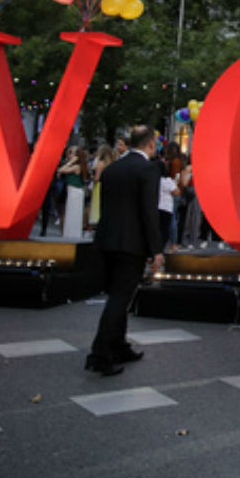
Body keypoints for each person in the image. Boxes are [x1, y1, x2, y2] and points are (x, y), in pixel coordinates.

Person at [86, 126, 162, 376]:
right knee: (120, 298)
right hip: (132, 244)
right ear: (150, 144)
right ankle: (101, 353)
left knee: (118, 296)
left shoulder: (113, 168)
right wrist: (156, 249)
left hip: (107, 240)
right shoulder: (148, 169)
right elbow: (149, 212)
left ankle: (118, 346)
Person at [87, 144, 117, 229]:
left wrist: (92, 177)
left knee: (96, 207)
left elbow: (97, 178)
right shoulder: (112, 163)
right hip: (108, 186)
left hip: (99, 186)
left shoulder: (100, 163)